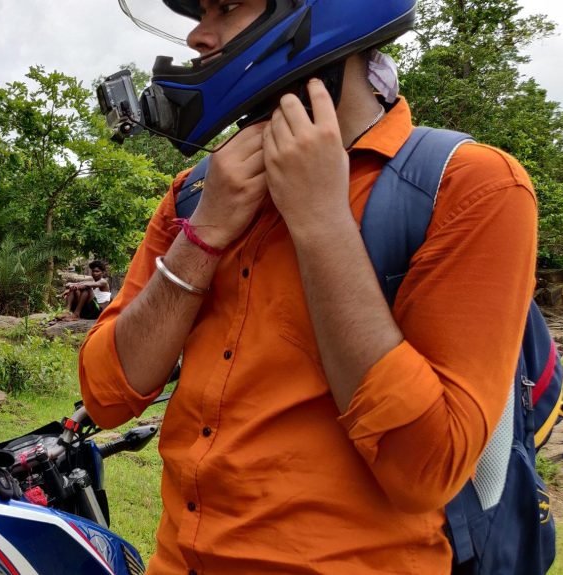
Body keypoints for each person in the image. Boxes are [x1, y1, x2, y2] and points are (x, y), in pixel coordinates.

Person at [79, 1, 537, 573]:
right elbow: (105, 394)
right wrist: (204, 237)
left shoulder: (471, 188)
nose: (198, 36)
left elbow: (427, 469)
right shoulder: (197, 194)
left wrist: (321, 220)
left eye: (225, 7)